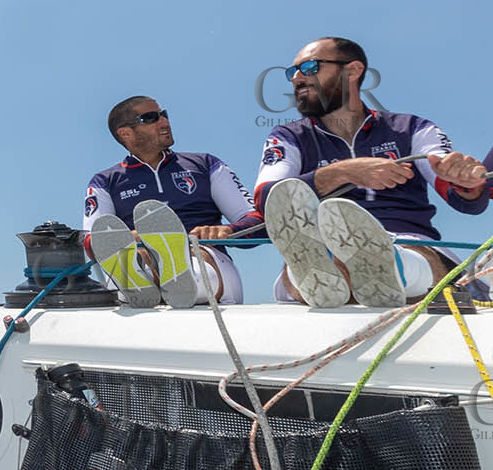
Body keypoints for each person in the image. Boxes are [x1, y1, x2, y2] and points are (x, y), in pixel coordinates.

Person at [255, 36, 489, 307]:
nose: (296, 78)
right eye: (292, 72)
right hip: (321, 242)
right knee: (319, 251)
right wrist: (344, 172)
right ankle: (333, 268)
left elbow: (465, 200)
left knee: (413, 255)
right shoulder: (289, 137)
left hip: (408, 239)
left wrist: (466, 181)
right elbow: (269, 198)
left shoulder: (411, 128)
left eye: (309, 67)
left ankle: (384, 264)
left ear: (353, 71)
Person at [84, 97, 261, 306]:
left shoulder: (205, 164)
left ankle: (164, 278)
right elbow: (93, 241)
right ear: (126, 134)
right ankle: (143, 276)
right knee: (137, 254)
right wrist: (125, 238)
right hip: (143, 255)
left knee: (196, 256)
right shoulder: (104, 182)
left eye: (164, 115)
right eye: (151, 118)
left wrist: (227, 230)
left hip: (204, 253)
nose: (164, 122)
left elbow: (258, 222)